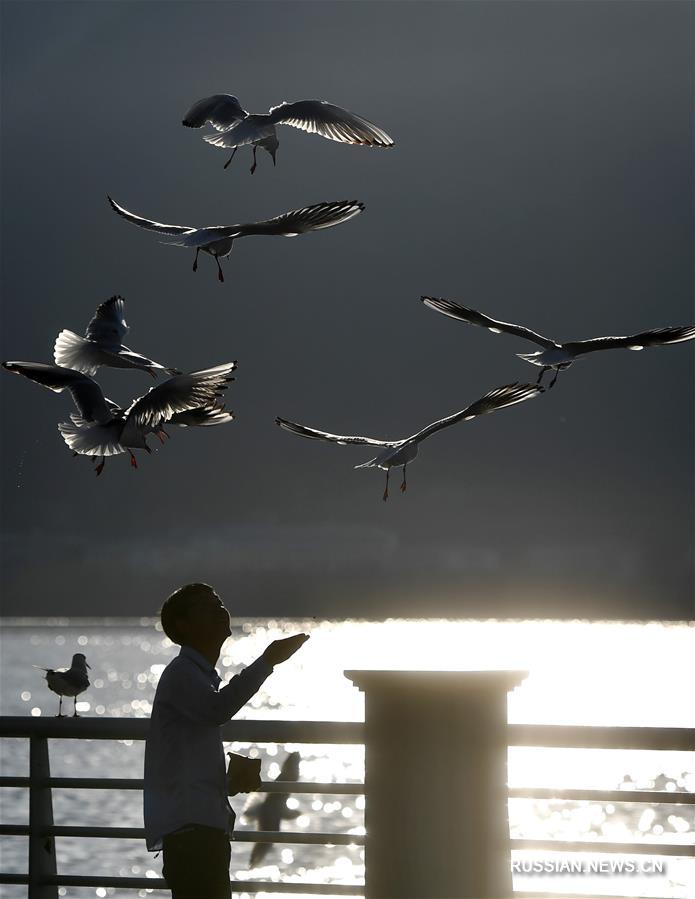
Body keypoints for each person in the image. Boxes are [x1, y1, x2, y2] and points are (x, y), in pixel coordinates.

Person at [144, 582, 309, 899]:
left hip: (201, 830)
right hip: (192, 835)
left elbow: (185, 760)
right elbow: (217, 710)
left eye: (219, 603)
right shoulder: (182, 674)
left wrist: (226, 783)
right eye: (208, 606)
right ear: (184, 625)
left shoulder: (195, 676)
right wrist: (267, 661)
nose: (220, 609)